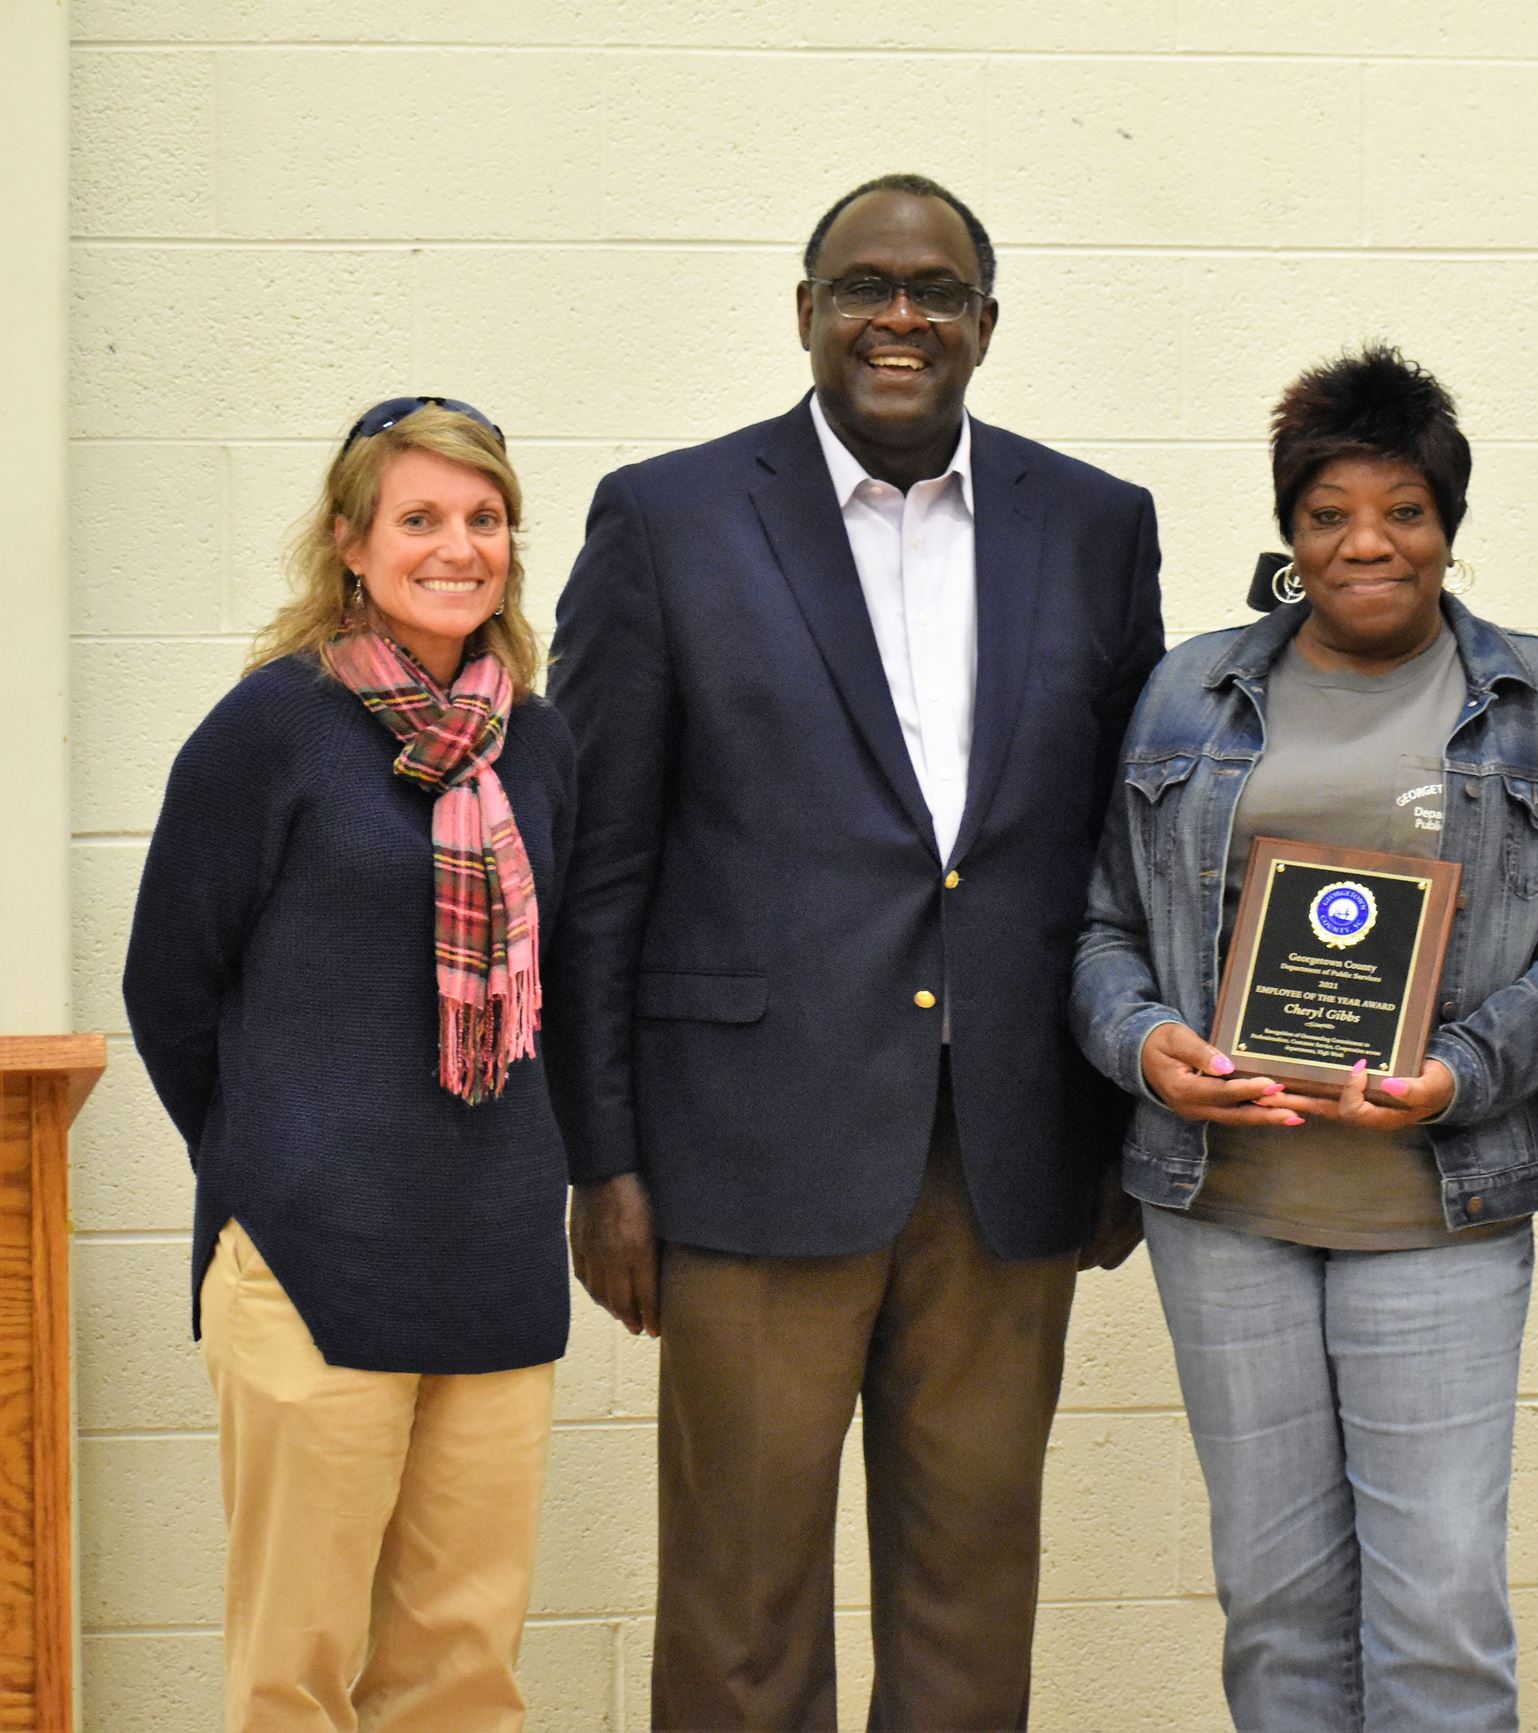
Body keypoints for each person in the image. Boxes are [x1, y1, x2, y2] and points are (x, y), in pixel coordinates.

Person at [545, 173, 1164, 1731]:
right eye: (866, 285)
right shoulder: (669, 517)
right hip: (748, 1148)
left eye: (938, 291)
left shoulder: (1094, 525)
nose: (903, 315)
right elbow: (600, 863)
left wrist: (1123, 1128)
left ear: (986, 324)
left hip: (1013, 1147)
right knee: (740, 1614)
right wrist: (601, 1151)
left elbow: (1128, 857)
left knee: (974, 1599)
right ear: (808, 311)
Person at [1072, 346, 1538, 1730]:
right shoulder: (1185, 692)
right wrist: (1147, 1046)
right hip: (1230, 1211)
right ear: (1289, 529)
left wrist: (1466, 1070)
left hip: (1440, 1209)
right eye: (1328, 512)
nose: (1365, 542)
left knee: (1440, 1617)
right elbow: (1100, 930)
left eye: (1402, 509)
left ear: (1450, 524)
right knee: (1275, 1612)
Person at [124, 398, 572, 1732]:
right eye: (420, 518)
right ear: (351, 545)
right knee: (296, 1669)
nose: (459, 545)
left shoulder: (539, 743)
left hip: (492, 1257)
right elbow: (169, 987)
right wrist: (276, 1155)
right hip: (307, 1260)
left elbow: (578, 981)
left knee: (461, 1672)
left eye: (483, 518)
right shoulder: (274, 729)